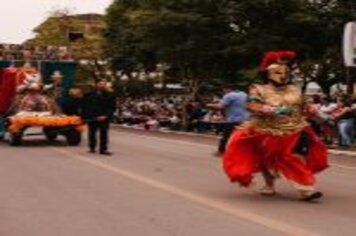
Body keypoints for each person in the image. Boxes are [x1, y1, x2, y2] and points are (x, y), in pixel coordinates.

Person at [223, 51, 328, 201]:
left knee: (294, 157)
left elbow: (306, 105)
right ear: (268, 73)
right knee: (266, 159)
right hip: (266, 129)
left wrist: (315, 111)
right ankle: (270, 185)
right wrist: (272, 110)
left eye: (286, 72)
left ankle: (305, 188)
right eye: (278, 72)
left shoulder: (295, 89)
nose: (283, 75)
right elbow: (252, 105)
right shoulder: (258, 88)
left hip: (295, 128)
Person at [207, 84, 249, 155]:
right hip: (246, 119)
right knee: (243, 137)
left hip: (234, 119)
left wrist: (210, 105)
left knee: (226, 136)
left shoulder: (229, 95)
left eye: (224, 90)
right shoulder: (244, 94)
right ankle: (243, 153)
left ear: (228, 89)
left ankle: (221, 151)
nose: (224, 92)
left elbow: (221, 106)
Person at [81, 80, 116, 155]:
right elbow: (85, 106)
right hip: (92, 117)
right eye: (100, 84)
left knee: (104, 134)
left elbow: (112, 107)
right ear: (96, 85)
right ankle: (92, 147)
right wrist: (85, 117)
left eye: (104, 84)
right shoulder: (88, 94)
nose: (102, 85)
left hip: (104, 118)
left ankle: (103, 150)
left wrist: (106, 115)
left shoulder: (110, 94)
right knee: (92, 133)